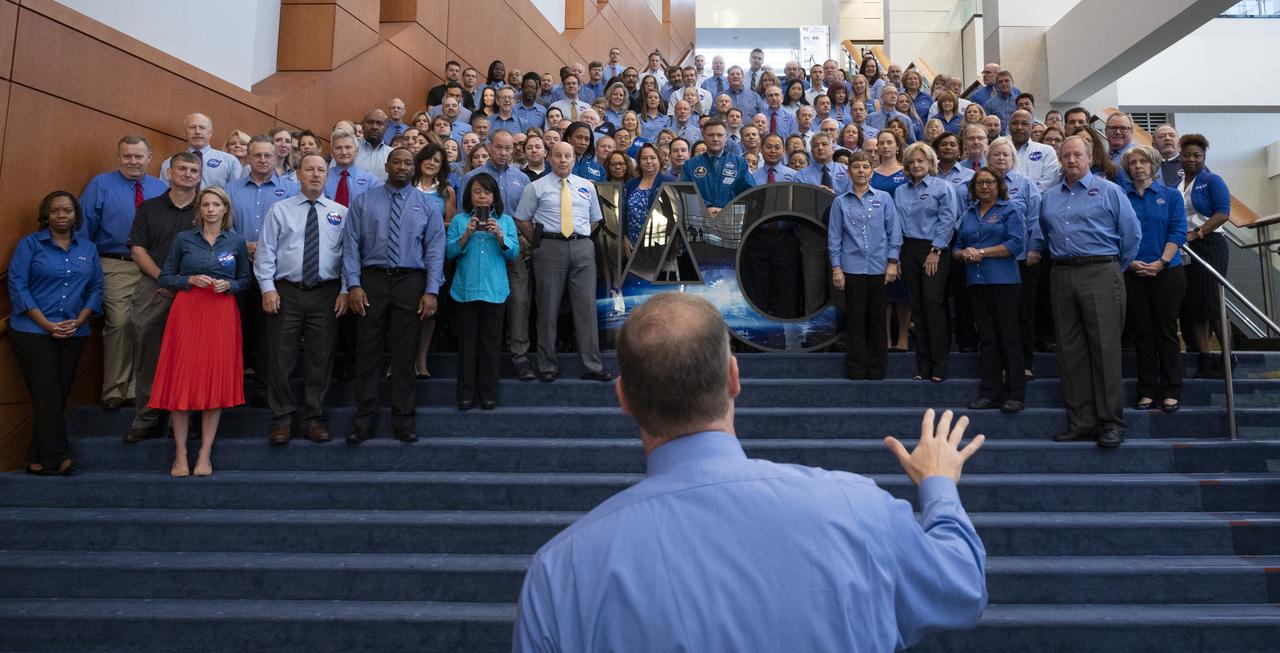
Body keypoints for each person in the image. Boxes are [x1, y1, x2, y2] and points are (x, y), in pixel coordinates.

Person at [512, 292, 987, 652]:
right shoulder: (859, 509)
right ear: (734, 377)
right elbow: (962, 589)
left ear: (623, 398)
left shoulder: (560, 573)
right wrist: (939, 485)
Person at [1041, 136, 1140, 448]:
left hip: (1101, 270)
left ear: (1088, 158)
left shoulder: (1109, 191)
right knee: (1070, 352)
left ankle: (1111, 422)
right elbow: (1046, 234)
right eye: (1066, 155)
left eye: (1077, 155)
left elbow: (1131, 236)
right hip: (1062, 272)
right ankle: (1081, 422)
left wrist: (1112, 269)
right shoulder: (1050, 196)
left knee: (1105, 350)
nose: (1071, 160)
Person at [342, 148, 446, 444]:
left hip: (410, 282)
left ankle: (403, 420)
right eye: (397, 162)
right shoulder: (364, 201)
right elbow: (350, 246)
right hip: (371, 281)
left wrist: (431, 290)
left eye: (408, 163)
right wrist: (353, 285)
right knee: (367, 352)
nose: (402, 167)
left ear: (414, 168)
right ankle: (364, 419)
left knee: (404, 355)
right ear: (386, 166)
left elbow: (435, 250)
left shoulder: (426, 206)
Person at [151, 186, 250, 477]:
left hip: (220, 313)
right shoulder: (183, 239)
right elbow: (166, 275)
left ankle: (205, 453)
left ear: (225, 209)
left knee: (213, 381)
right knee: (181, 379)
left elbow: (246, 279)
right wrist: (189, 279)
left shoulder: (236, 241)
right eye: (205, 204)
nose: (210, 209)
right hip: (188, 312)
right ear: (199, 210)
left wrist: (230, 285)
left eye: (215, 204)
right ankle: (180, 453)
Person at [254, 154, 349, 445]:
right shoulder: (279, 210)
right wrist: (267, 288)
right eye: (310, 169)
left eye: (321, 170)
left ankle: (314, 419)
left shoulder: (340, 212)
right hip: (286, 292)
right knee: (281, 358)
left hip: (326, 293)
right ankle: (282, 419)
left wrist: (345, 289)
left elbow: (348, 256)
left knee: (321, 358)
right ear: (298, 174)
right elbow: (266, 251)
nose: (316, 174)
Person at [8, 191, 103, 475]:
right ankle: (59, 455)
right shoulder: (30, 245)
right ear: (46, 216)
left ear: (76, 215)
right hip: (32, 331)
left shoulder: (88, 248)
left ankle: (35, 457)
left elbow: (96, 288)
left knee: (55, 393)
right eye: (55, 211)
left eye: (67, 211)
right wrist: (47, 324)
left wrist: (80, 319)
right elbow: (17, 286)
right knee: (48, 391)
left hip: (75, 331)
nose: (62, 215)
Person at [513, 141, 614, 382]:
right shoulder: (536, 187)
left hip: (582, 247)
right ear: (550, 158)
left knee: (586, 307)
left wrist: (579, 236)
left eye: (567, 156)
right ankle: (547, 365)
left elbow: (595, 220)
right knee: (547, 307)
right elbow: (521, 219)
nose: (563, 160)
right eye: (558, 155)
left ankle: (592, 366)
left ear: (574, 159)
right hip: (549, 247)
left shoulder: (586, 186)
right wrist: (540, 242)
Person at [79, 136, 166, 410]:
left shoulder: (160, 187)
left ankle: (135, 389)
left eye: (139, 156)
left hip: (152, 266)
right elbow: (84, 228)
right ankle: (114, 389)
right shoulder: (100, 184)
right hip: (115, 263)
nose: (133, 161)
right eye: (127, 156)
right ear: (119, 157)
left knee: (145, 326)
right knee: (119, 322)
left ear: (149, 158)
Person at [123, 152, 202, 443]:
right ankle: (146, 417)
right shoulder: (149, 208)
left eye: (194, 170)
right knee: (147, 353)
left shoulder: (205, 208)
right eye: (182, 168)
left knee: (190, 357)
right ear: (169, 172)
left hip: (195, 291)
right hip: (153, 287)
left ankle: (182, 419)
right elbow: (138, 250)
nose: (188, 174)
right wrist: (163, 278)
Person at [228, 136, 299, 405]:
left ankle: (263, 388)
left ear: (276, 157)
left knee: (271, 330)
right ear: (247, 157)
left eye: (268, 155)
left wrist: (269, 248)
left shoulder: (291, 189)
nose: (263, 160)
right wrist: (241, 244)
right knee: (239, 325)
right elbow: (220, 225)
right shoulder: (230, 189)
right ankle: (233, 386)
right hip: (238, 266)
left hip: (276, 269)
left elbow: (298, 228)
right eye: (257, 155)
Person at [954, 168, 1026, 413]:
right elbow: (957, 247)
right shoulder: (969, 213)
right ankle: (990, 393)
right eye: (980, 183)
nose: (984, 186)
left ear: (999, 185)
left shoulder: (1010, 209)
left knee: (1009, 337)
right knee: (987, 339)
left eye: (989, 182)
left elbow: (1017, 244)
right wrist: (965, 253)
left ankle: (1015, 393)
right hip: (976, 281)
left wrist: (982, 252)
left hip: (1003, 281)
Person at [1121, 146, 1187, 412]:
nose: (1138, 166)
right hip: (1133, 272)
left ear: (1153, 165)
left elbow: (1178, 230)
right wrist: (1130, 262)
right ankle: (1147, 389)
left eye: (1143, 162)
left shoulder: (1170, 196)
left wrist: (1161, 262)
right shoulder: (1121, 197)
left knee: (1166, 331)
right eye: (1133, 163)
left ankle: (1171, 389)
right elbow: (1116, 232)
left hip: (1167, 272)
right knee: (1142, 333)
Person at [447, 173, 520, 410]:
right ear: (469, 194)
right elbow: (449, 253)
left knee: (490, 345)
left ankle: (489, 394)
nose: (482, 197)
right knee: (467, 346)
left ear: (494, 197)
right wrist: (466, 233)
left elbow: (513, 254)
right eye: (477, 191)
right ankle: (465, 394)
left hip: (495, 291)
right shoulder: (459, 220)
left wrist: (500, 236)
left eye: (487, 192)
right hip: (465, 290)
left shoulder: (506, 221)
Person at [830, 151, 902, 380]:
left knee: (877, 318)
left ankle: (877, 367)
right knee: (856, 318)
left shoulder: (884, 198)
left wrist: (893, 261)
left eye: (865, 167)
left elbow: (895, 232)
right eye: (856, 167)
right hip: (851, 267)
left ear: (872, 171)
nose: (861, 171)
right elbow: (834, 237)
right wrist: (836, 267)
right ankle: (856, 368)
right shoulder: (840, 202)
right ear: (849, 171)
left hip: (880, 266)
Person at [895, 142, 957, 382]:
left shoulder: (943, 187)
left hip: (934, 249)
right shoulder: (901, 191)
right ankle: (923, 366)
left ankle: (939, 366)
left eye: (921, 160)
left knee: (933, 304)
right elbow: (897, 225)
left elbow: (948, 219)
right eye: (912, 161)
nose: (916, 165)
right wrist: (896, 255)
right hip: (908, 250)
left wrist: (936, 250)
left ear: (930, 163)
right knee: (917, 309)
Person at [1177, 133, 1233, 378]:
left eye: (1197, 156)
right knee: (1194, 306)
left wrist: (1197, 233)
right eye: (1187, 155)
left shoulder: (1212, 180)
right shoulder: (1176, 186)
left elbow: (1223, 213)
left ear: (1204, 157)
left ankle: (1227, 356)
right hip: (1186, 250)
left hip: (1209, 244)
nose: (1191, 159)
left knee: (1213, 302)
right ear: (1180, 157)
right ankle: (1205, 357)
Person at [160, 113, 241, 189]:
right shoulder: (169, 163)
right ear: (184, 132)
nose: (197, 132)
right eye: (192, 127)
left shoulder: (230, 161)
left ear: (210, 133)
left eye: (202, 128)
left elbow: (237, 194)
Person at [324, 130, 380, 206]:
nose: (343, 152)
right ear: (331, 153)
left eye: (348, 147)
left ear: (357, 151)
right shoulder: (322, 177)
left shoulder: (370, 180)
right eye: (338, 148)